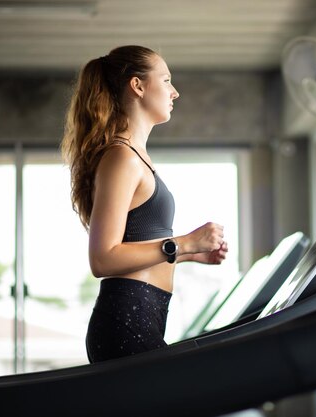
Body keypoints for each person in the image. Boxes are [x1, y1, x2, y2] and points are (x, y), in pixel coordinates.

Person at [61, 45, 229, 362]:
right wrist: (184, 242)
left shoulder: (134, 157)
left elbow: (135, 246)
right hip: (126, 324)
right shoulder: (122, 157)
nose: (175, 92)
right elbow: (103, 259)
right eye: (166, 80)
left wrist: (188, 255)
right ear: (137, 86)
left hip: (141, 319)